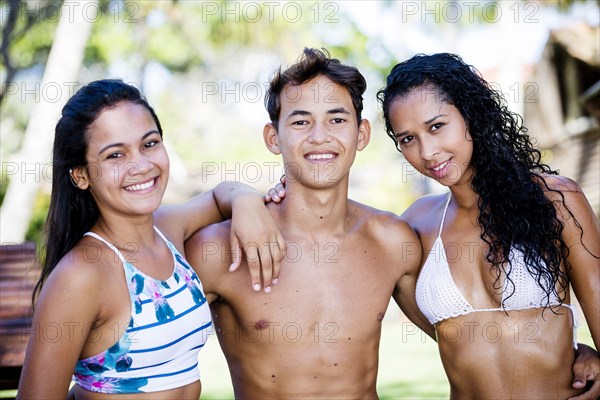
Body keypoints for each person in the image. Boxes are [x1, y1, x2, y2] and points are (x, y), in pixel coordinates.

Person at [17, 79, 284, 399]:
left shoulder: (167, 228)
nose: (141, 165)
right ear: (81, 175)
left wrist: (246, 200)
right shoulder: (81, 275)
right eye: (115, 155)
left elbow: (217, 196)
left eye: (149, 144)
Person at [185, 48, 427, 399]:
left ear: (361, 135)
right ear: (273, 138)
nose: (319, 137)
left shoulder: (391, 241)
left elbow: (461, 338)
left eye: (337, 119)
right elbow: (148, 358)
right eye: (300, 121)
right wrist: (235, 194)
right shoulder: (221, 249)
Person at [376, 52, 599, 399]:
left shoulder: (556, 200)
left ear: (472, 114)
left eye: (436, 126)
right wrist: (264, 198)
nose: (428, 151)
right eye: (408, 138)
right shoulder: (416, 224)